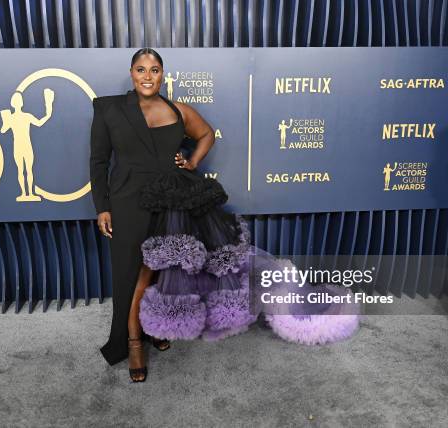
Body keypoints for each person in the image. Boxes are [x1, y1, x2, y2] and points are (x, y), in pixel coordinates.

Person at [90, 48, 359, 382]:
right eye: (141, 69)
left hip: (173, 201)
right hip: (128, 201)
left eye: (155, 70)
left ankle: (153, 328)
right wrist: (102, 206)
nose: (148, 76)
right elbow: (99, 162)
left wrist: (191, 163)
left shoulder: (179, 110)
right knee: (131, 276)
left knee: (162, 272)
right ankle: (131, 343)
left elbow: (207, 134)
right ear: (131, 73)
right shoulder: (109, 109)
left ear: (163, 74)